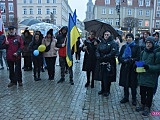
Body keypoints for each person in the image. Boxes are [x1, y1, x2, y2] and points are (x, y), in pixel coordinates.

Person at [135, 36, 160, 116]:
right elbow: (140, 61)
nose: (148, 44)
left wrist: (149, 67)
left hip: (151, 78)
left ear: (152, 44)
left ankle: (147, 107)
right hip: (142, 76)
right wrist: (137, 66)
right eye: (147, 43)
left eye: (150, 43)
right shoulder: (143, 52)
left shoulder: (156, 53)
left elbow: (158, 66)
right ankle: (142, 104)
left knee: (149, 94)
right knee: (142, 92)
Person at [118, 33, 140, 106]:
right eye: (127, 37)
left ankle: (134, 98)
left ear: (132, 38)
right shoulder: (124, 46)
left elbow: (138, 57)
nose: (128, 38)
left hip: (133, 68)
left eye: (130, 37)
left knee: (133, 84)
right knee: (125, 83)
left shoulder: (136, 47)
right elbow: (119, 56)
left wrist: (132, 59)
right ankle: (126, 97)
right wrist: (123, 60)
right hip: (125, 67)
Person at [95, 30, 118, 96]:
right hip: (101, 62)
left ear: (110, 35)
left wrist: (105, 56)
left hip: (109, 62)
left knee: (108, 77)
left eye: (108, 34)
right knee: (102, 76)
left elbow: (113, 52)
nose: (106, 36)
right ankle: (102, 89)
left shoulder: (113, 43)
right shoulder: (101, 42)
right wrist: (98, 55)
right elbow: (97, 50)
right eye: (105, 34)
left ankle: (107, 90)